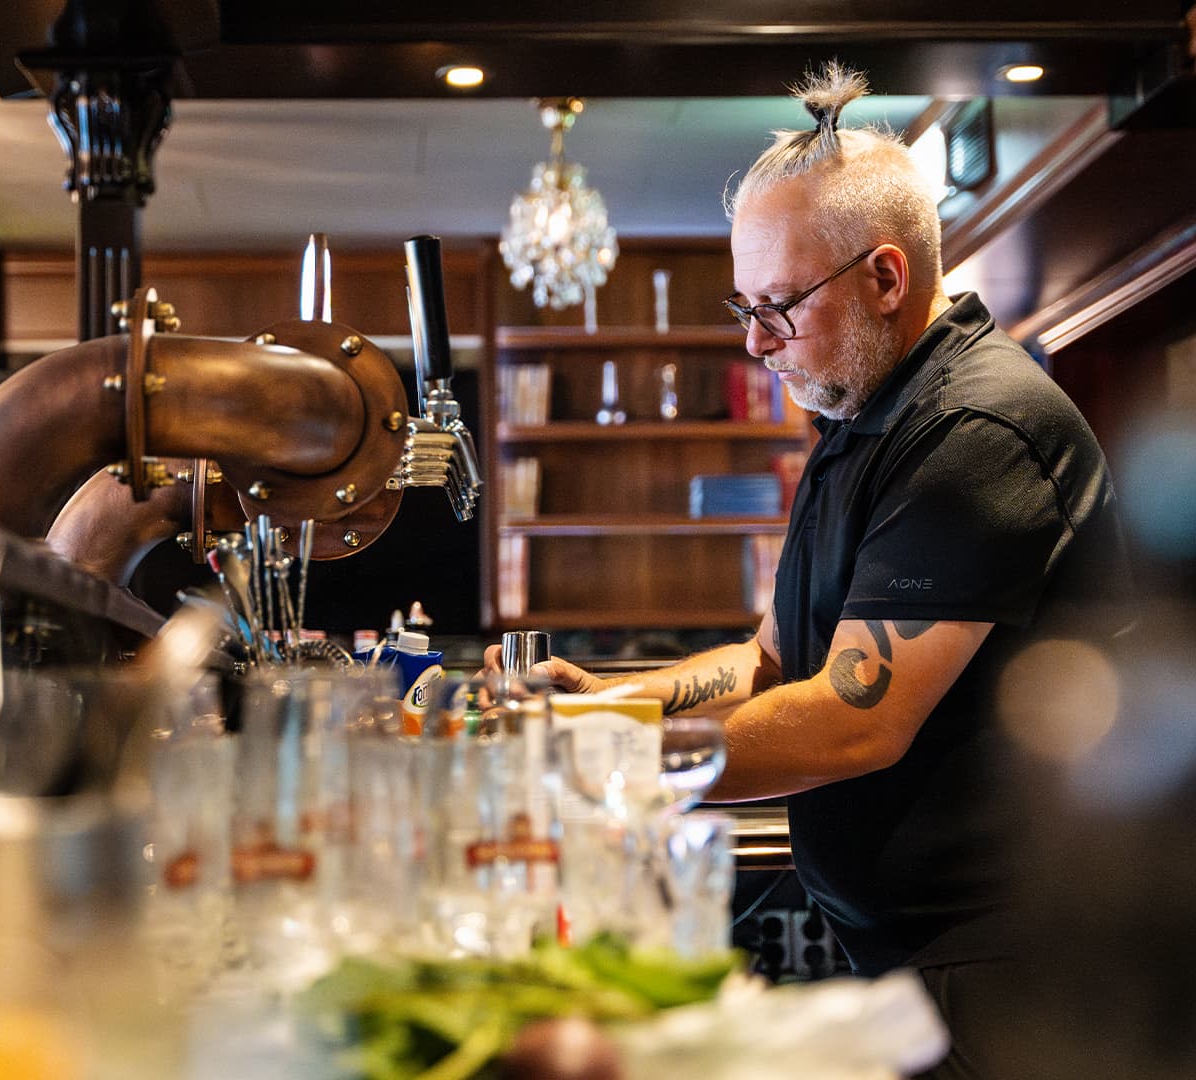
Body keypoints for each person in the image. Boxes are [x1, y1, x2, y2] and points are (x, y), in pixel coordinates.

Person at [487, 63, 1130, 1079]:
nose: (754, 342)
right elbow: (774, 662)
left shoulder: (975, 430)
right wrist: (599, 709)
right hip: (913, 951)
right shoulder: (860, 417)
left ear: (886, 277)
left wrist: (595, 769)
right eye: (744, 305)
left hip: (1018, 958)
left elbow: (853, 716)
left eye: (779, 305)